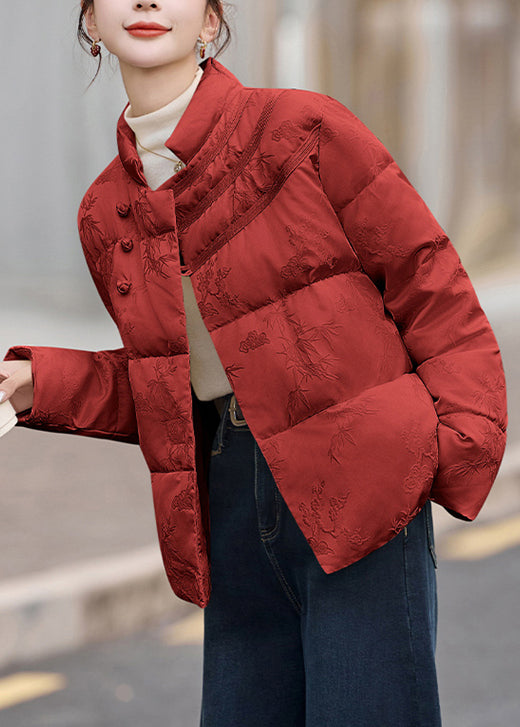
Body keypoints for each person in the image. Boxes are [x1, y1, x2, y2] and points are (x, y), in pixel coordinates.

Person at [0, 1, 508, 725]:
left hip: (359, 474)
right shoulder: (105, 213)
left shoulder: (300, 128)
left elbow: (429, 281)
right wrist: (37, 383)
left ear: (210, 21)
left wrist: (456, 445)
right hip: (230, 493)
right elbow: (170, 381)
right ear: (89, 21)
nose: (146, 1)